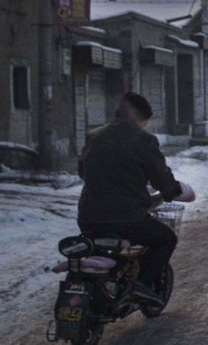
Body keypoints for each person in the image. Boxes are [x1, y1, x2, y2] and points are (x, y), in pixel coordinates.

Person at [76, 92, 195, 307]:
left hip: (88, 217)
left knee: (98, 247)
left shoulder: (94, 136)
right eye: (143, 122)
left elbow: (83, 173)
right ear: (138, 117)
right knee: (166, 239)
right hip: (127, 218)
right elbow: (163, 181)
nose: (143, 126)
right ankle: (140, 285)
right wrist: (175, 190)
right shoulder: (143, 140)